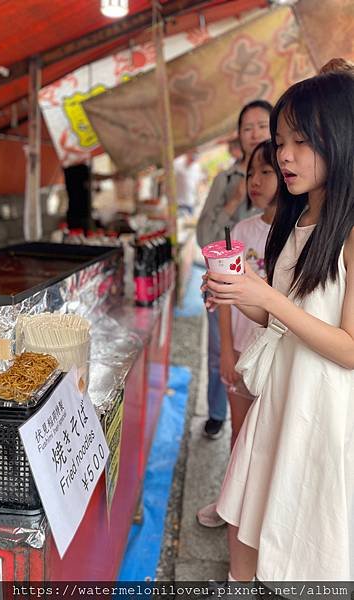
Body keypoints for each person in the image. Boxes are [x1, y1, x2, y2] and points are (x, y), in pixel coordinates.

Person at [204, 71, 354, 581]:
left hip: (322, 410)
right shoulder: (294, 221)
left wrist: (266, 296)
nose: (284, 155)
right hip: (279, 397)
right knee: (246, 519)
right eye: (280, 141)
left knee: (309, 538)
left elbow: (350, 348)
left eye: (301, 142)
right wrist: (241, 294)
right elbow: (281, 317)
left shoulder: (350, 233)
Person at [197, 140, 278, 528]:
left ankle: (257, 517)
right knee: (238, 436)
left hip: (275, 356)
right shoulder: (242, 232)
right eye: (250, 173)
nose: (255, 181)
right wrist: (225, 351)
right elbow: (225, 299)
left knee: (267, 445)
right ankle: (229, 505)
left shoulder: (298, 234)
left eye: (266, 172)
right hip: (242, 351)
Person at [196, 100, 272, 439]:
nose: (254, 133)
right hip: (226, 291)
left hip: (266, 313)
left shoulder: (294, 193)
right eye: (247, 127)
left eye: (262, 126)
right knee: (220, 354)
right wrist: (232, 200)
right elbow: (204, 237)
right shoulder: (225, 180)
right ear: (239, 136)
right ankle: (216, 413)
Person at [174, 150, 203, 216]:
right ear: (188, 154)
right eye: (191, 158)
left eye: (194, 159)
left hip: (190, 202)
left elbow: (197, 183)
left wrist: (198, 198)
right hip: (178, 203)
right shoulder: (177, 162)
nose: (192, 161)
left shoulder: (197, 167)